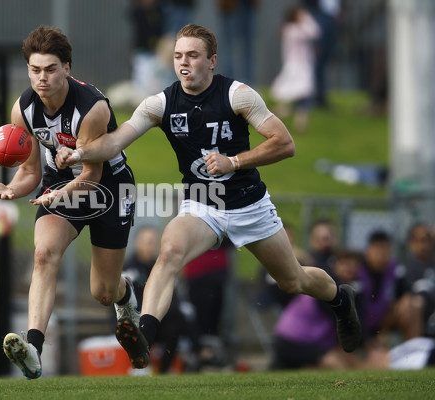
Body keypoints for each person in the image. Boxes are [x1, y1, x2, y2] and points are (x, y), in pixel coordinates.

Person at [54, 24, 362, 369]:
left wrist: (234, 161)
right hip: (203, 201)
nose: (184, 63)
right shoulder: (160, 103)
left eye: (193, 56)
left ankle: (340, 299)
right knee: (169, 251)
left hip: (250, 204)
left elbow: (285, 143)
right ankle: (144, 336)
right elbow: (113, 142)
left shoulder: (238, 95)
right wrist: (78, 154)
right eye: (177, 56)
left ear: (212, 60)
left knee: (294, 280)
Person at [0, 25, 139, 380]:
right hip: (60, 183)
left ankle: (125, 294)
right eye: (35, 70)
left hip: (108, 188)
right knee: (43, 253)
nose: (42, 78)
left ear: (67, 68)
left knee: (103, 291)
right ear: (28, 70)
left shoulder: (92, 109)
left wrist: (59, 193)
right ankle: (34, 346)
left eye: (51, 69)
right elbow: (30, 171)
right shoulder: (22, 109)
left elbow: (92, 175)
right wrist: (12, 189)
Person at [272, 249, 365, 369]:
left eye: (353, 266)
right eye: (344, 264)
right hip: (292, 341)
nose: (349, 269)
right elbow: (342, 321)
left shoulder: (341, 288)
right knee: (336, 363)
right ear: (336, 265)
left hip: (297, 341)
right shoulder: (329, 290)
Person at [123, 225, 198, 373]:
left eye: (154, 242)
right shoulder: (128, 268)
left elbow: (171, 295)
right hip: (135, 317)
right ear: (138, 243)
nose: (152, 246)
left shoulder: (158, 266)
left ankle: (165, 369)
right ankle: (142, 364)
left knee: (177, 319)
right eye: (148, 242)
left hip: (160, 320)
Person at [357, 230, 423, 353]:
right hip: (362, 323)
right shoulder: (357, 271)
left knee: (413, 304)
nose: (382, 254)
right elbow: (355, 310)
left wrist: (407, 297)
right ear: (368, 251)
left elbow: (406, 289)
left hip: (383, 319)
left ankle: (414, 353)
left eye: (386, 249)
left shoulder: (393, 267)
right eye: (378, 249)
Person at [270, 5, 320, 133]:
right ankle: (272, 116)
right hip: (297, 68)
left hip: (302, 67)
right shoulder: (292, 30)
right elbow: (314, 32)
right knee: (299, 96)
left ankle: (298, 122)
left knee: (301, 98)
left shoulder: (292, 29)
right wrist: (307, 19)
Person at [400, 223, 435, 336]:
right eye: (419, 240)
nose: (424, 245)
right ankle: (415, 348)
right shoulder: (406, 267)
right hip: (418, 310)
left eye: (427, 240)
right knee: (416, 303)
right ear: (411, 243)